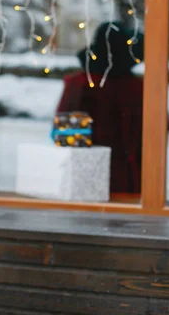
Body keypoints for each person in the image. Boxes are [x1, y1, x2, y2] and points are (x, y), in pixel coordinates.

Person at [55, 22, 144, 195]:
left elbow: (67, 137)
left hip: (86, 175)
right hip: (129, 178)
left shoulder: (79, 84)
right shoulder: (137, 87)